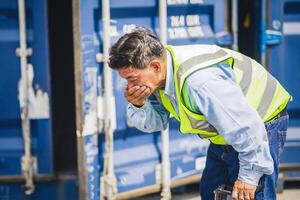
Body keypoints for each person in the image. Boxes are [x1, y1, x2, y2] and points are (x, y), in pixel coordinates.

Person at [108, 28, 291, 200]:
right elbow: (155, 123)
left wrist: (250, 176)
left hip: (260, 126)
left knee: (247, 193)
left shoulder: (200, 82)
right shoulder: (161, 74)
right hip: (225, 134)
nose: (130, 87)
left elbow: (246, 126)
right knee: (211, 191)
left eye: (132, 79)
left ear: (155, 66)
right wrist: (138, 104)